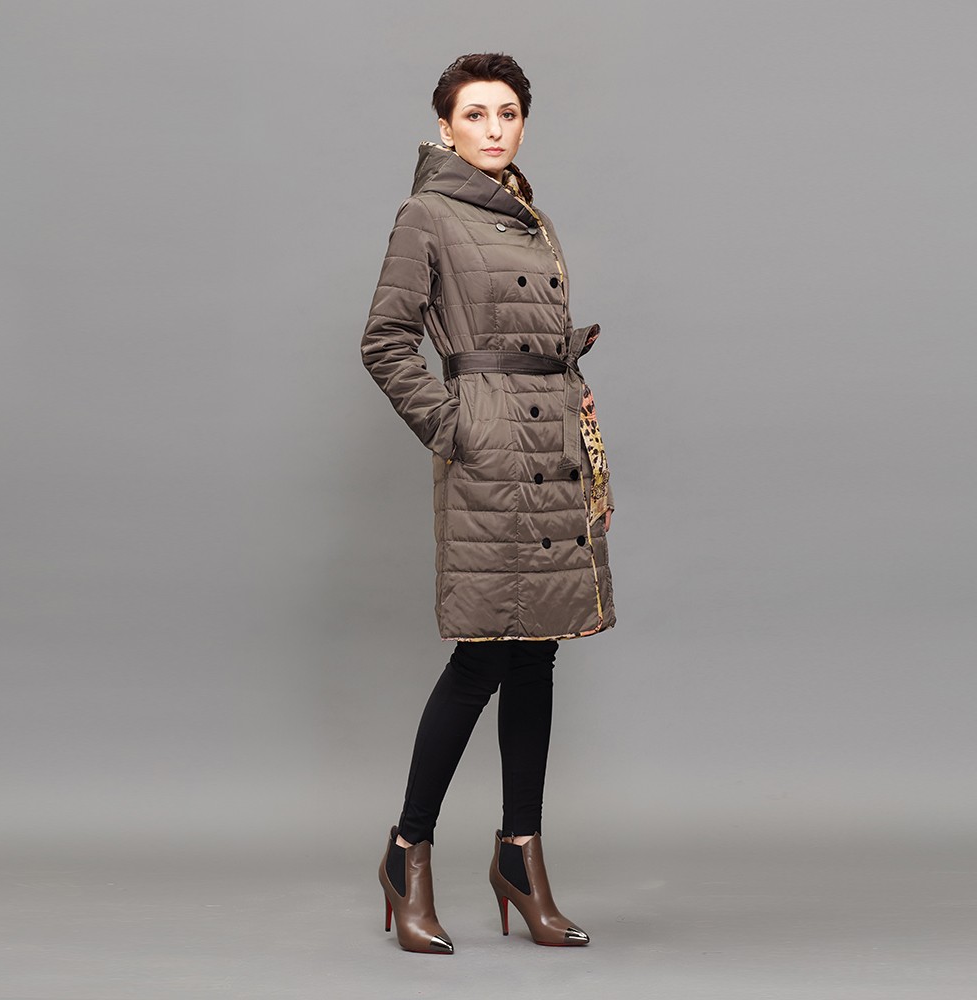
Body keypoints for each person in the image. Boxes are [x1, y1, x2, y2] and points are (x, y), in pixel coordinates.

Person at [360, 53, 617, 954]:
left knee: (537, 656)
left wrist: (575, 404)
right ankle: (407, 855)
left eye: (508, 112)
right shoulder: (427, 213)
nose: (494, 128)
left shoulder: (530, 215)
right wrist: (453, 424)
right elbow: (385, 339)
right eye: (475, 114)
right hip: (492, 454)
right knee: (481, 660)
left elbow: (535, 338)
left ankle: (520, 860)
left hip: (551, 449)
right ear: (445, 128)